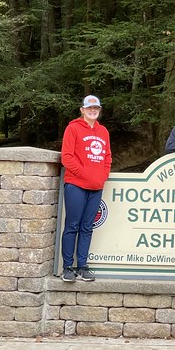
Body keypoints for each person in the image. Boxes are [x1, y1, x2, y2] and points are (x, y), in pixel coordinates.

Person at [60, 95, 112, 283]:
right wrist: (85, 174)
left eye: (96, 108)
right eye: (89, 108)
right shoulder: (72, 128)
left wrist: (102, 176)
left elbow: (107, 157)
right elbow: (67, 157)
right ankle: (68, 267)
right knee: (72, 225)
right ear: (82, 110)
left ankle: (82, 266)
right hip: (76, 185)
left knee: (87, 227)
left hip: (96, 186)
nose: (93, 110)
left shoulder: (103, 131)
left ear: (99, 110)